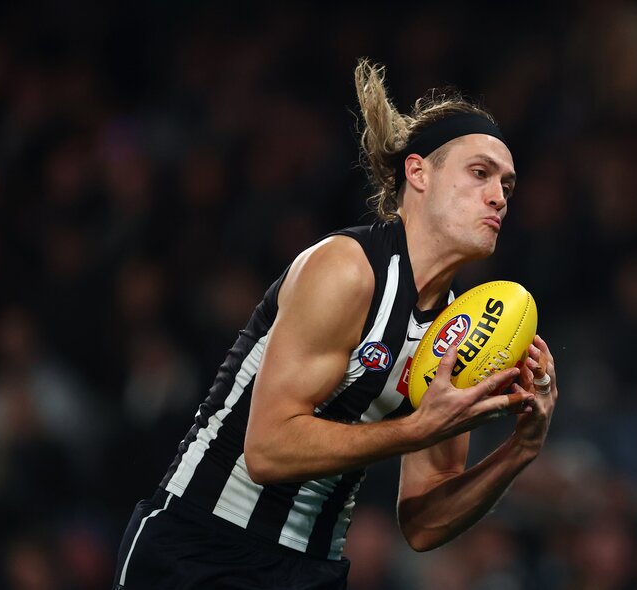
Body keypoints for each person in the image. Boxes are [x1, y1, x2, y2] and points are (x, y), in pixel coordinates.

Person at [111, 58, 558, 590]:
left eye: (507, 184)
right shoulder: (348, 269)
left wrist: (523, 448)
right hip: (201, 548)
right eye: (480, 173)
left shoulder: (458, 330)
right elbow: (268, 449)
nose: (499, 196)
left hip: (311, 570)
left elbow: (423, 522)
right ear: (418, 173)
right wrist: (417, 428)